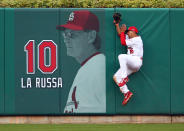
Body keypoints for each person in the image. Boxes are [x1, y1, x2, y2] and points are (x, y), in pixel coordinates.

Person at [57, 10, 106, 113]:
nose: (66, 39)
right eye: (65, 34)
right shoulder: (89, 66)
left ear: (91, 36)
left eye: (71, 34)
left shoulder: (100, 66)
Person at [113, 21, 143, 106]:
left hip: (136, 61)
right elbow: (120, 34)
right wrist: (117, 24)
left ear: (133, 32)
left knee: (121, 56)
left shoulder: (137, 39)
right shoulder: (131, 38)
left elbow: (123, 42)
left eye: (128, 32)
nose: (127, 34)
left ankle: (124, 77)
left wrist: (123, 32)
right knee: (116, 77)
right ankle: (127, 93)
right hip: (130, 63)